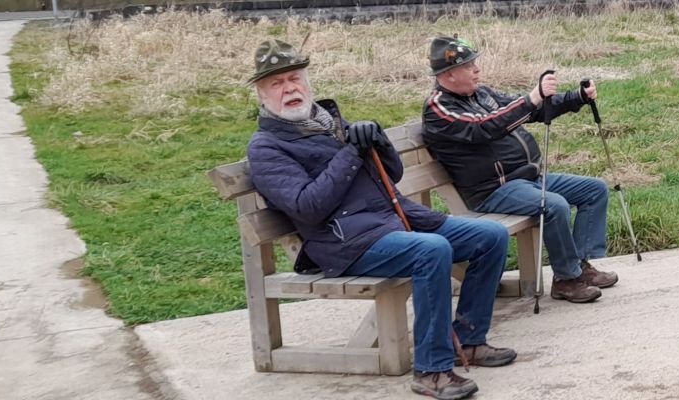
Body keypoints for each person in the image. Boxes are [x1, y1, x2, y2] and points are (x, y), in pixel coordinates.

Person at [242, 40, 516, 400]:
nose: (289, 89)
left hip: (394, 221)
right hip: (345, 243)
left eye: (294, 78)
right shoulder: (266, 148)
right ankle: (432, 370)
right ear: (262, 95)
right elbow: (307, 206)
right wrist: (351, 153)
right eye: (277, 84)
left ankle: (470, 339)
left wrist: (378, 141)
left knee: (490, 236)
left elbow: (393, 173)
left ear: (307, 83)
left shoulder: (332, 123)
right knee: (431, 251)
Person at [419, 37, 619, 304]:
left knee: (594, 190)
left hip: (526, 178)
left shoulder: (482, 94)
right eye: (469, 66)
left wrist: (575, 98)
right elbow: (483, 127)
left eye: (475, 63)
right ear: (449, 74)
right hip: (493, 189)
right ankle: (566, 280)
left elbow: (531, 110)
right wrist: (531, 98)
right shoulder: (438, 108)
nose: (476, 69)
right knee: (554, 205)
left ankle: (580, 265)